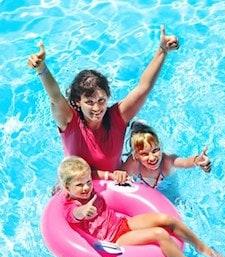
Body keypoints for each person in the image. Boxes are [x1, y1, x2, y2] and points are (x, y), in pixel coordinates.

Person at [27, 25, 179, 181]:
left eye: (101, 100)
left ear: (108, 97)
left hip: (116, 181)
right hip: (80, 186)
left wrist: (162, 51)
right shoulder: (70, 122)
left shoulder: (117, 117)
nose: (97, 108)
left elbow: (143, 88)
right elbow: (55, 97)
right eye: (89, 102)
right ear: (78, 102)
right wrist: (42, 68)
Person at [58, 155, 223, 257]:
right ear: (66, 187)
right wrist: (83, 211)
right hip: (115, 239)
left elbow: (98, 176)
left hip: (121, 223)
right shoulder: (69, 206)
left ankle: (202, 247)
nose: (86, 187)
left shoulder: (91, 187)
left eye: (87, 182)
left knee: (166, 219)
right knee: (159, 234)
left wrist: (115, 174)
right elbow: (74, 214)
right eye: (79, 185)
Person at [122, 122, 211, 188]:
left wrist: (197, 160)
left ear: (160, 148)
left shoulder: (167, 161)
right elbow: (120, 176)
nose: (152, 158)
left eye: (155, 150)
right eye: (145, 154)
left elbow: (184, 162)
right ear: (136, 155)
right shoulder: (133, 163)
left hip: (167, 186)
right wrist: (119, 175)